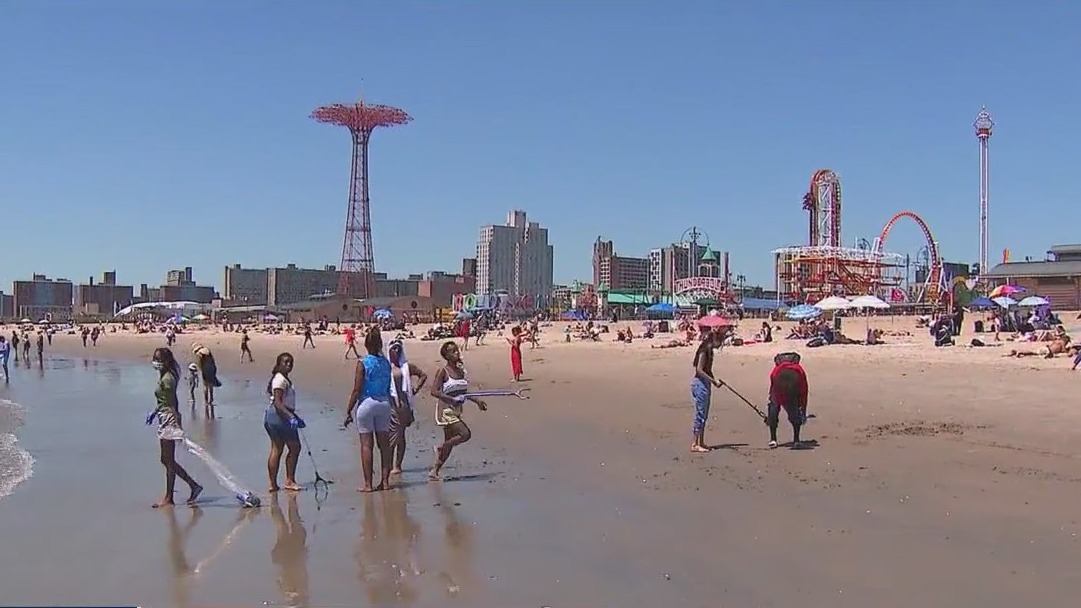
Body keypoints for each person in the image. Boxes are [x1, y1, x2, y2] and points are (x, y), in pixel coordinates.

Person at [149, 347, 202, 508]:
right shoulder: (164, 376)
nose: (156, 362)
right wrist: (155, 411)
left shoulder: (168, 379)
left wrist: (175, 421)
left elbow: (172, 401)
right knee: (166, 459)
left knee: (168, 459)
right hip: (164, 416)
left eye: (158, 359)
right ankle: (191, 486)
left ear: (166, 361)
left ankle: (171, 496)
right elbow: (164, 400)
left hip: (169, 418)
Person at [343, 328, 394, 492]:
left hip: (367, 403)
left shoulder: (363, 363)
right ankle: (385, 482)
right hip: (384, 403)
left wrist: (348, 410)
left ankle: (368, 484)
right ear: (380, 344)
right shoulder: (386, 363)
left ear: (366, 345)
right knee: (384, 445)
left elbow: (357, 390)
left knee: (366, 445)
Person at [429, 341, 487, 480]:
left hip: (456, 410)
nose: (456, 353)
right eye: (452, 351)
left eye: (456, 350)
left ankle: (434, 471)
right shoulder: (443, 371)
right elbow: (434, 391)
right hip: (445, 411)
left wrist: (477, 401)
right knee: (465, 434)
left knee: (450, 441)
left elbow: (463, 391)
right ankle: (440, 447)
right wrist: (450, 399)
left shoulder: (461, 371)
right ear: (447, 356)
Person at [264, 352, 303, 492]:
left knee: (277, 448)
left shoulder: (281, 379)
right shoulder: (280, 380)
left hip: (274, 416)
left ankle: (273, 484)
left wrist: (295, 416)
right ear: (279, 364)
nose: (288, 365)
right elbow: (278, 403)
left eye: (291, 362)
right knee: (295, 447)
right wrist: (290, 417)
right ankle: (290, 480)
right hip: (279, 416)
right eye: (285, 362)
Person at [387, 339, 428, 475]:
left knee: (400, 435)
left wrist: (415, 389)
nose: (396, 351)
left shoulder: (406, 367)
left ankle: (397, 465)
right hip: (389, 404)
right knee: (391, 435)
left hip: (403, 405)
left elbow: (423, 375)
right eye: (394, 349)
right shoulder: (386, 367)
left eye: (398, 349)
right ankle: (389, 464)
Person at [690, 330, 725, 452]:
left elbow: (708, 370)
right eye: (720, 341)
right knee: (700, 414)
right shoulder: (704, 350)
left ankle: (701, 442)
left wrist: (714, 381)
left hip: (705, 383)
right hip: (700, 384)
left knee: (704, 414)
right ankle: (694, 443)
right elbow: (699, 370)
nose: (720, 344)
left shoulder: (709, 351)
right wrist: (713, 381)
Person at [767, 352, 809, 449]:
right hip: (777, 387)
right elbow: (773, 389)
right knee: (773, 411)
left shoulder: (801, 376)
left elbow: (803, 396)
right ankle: (773, 439)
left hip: (793, 390)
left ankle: (796, 439)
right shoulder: (775, 374)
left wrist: (803, 411)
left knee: (794, 413)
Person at [191, 343, 223, 408]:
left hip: (205, 369)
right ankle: (211, 398)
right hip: (212, 368)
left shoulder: (199, 354)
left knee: (205, 386)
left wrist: (200, 370)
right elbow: (213, 361)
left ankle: (206, 401)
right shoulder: (207, 351)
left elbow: (200, 364)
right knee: (211, 384)